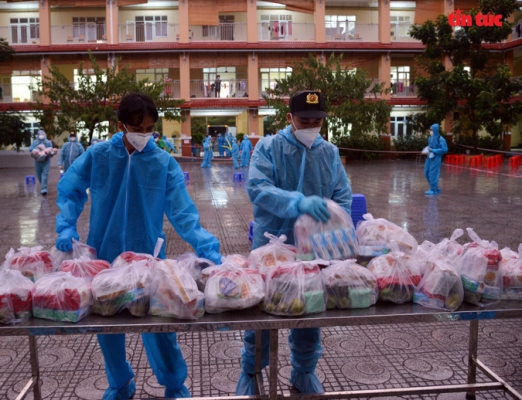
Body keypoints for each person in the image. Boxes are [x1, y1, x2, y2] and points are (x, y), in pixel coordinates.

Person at [55, 93, 222, 400]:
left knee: (159, 324)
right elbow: (71, 189)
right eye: (138, 128)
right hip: (104, 254)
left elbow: (182, 211)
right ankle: (120, 383)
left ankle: (174, 384)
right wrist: (66, 224)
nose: (145, 135)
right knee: (107, 326)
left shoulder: (163, 162)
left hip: (149, 256)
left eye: (149, 129)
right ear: (121, 125)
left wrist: (206, 245)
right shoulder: (99, 155)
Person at [236, 90, 352, 395]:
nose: (312, 125)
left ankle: (303, 372)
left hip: (313, 249)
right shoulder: (269, 148)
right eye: (305, 120)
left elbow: (342, 195)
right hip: (273, 246)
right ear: (290, 118)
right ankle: (251, 371)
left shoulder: (329, 152)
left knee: (309, 309)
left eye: (318, 121)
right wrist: (297, 202)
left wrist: (336, 220)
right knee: (263, 313)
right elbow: (258, 188)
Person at [423, 123, 447, 195]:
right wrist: (426, 149)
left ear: (435, 130)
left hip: (436, 158)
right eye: (430, 130)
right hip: (429, 157)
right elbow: (430, 146)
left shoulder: (441, 139)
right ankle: (434, 187)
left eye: (431, 130)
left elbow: (444, 149)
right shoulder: (430, 138)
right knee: (426, 172)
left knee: (433, 173)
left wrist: (433, 150)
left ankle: (433, 189)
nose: (430, 131)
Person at [29, 130, 53, 195]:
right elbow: (30, 148)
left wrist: (48, 152)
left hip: (46, 161)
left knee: (45, 174)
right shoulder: (35, 142)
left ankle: (44, 189)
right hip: (37, 161)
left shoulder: (48, 142)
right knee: (39, 174)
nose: (41, 136)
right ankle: (43, 186)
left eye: (42, 134)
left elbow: (51, 150)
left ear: (44, 135)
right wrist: (34, 150)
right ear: (38, 135)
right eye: (40, 134)